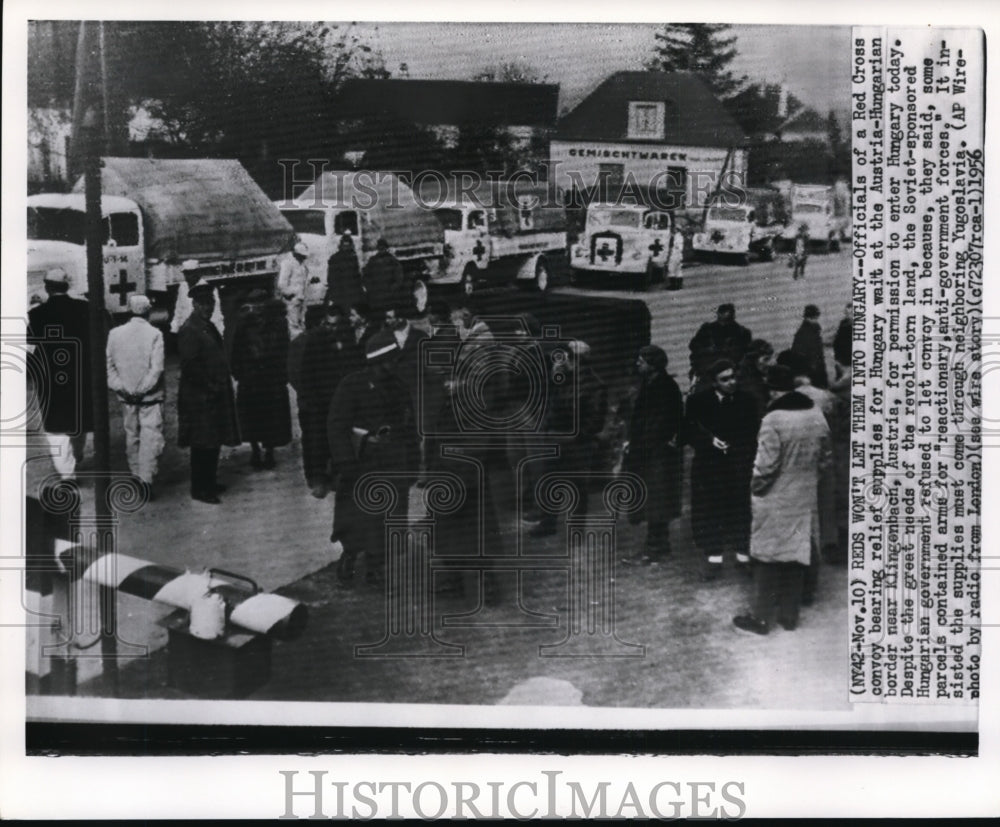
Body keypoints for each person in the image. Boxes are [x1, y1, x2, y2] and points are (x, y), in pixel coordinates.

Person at [733, 364, 831, 635]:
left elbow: (766, 466)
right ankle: (790, 615)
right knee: (796, 553)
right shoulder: (815, 414)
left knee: (767, 556)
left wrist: (755, 488)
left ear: (774, 391)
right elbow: (824, 458)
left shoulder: (773, 420)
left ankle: (761, 618)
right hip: (804, 495)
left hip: (774, 496)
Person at [327, 329, 419, 587]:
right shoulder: (352, 385)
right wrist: (346, 459)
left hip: (393, 462)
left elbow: (409, 425)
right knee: (356, 517)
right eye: (391, 360)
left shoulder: (399, 387)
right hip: (362, 463)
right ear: (378, 360)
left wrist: (412, 462)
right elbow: (336, 425)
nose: (396, 364)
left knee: (388, 518)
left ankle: (376, 567)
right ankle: (349, 558)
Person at [685, 358, 760, 579]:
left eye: (734, 377)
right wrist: (709, 440)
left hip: (738, 464)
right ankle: (714, 558)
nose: (731, 383)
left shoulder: (747, 400)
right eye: (724, 379)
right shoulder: (698, 401)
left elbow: (752, 432)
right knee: (710, 510)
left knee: (740, 508)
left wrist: (738, 448)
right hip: (709, 466)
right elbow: (688, 429)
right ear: (713, 382)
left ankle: (742, 556)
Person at [529, 340, 608, 538]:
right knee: (549, 481)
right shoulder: (563, 379)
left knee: (577, 486)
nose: (560, 360)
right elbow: (552, 405)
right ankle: (548, 523)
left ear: (575, 359)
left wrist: (577, 436)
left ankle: (577, 528)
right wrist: (547, 428)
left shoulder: (594, 385)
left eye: (564, 356)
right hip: (557, 438)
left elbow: (595, 420)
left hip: (578, 443)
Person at [27, 267, 95, 481]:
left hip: (51, 379)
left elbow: (31, 344)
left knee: (56, 428)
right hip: (80, 375)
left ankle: (68, 474)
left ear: (47, 287)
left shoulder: (37, 314)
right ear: (67, 286)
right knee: (79, 419)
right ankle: (78, 453)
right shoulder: (84, 308)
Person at [177, 284, 240, 503]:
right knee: (202, 444)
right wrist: (211, 387)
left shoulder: (206, 326)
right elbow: (191, 368)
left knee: (212, 442)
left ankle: (209, 482)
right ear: (194, 304)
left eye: (210, 303)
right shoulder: (190, 329)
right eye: (203, 304)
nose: (207, 307)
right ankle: (201, 489)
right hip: (200, 398)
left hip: (211, 396)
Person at [623, 345, 684, 561]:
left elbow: (661, 424)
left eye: (642, 360)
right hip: (649, 452)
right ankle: (657, 546)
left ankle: (656, 549)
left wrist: (639, 443)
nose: (638, 363)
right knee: (653, 500)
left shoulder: (665, 387)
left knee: (657, 501)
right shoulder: (650, 384)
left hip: (658, 454)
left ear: (653, 363)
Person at [105, 295, 165, 499]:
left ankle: (135, 474)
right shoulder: (155, 334)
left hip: (125, 397)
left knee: (132, 435)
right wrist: (141, 390)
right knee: (151, 437)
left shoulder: (114, 334)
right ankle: (146, 480)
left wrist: (123, 388)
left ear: (129, 311)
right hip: (150, 397)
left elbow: (109, 367)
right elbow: (156, 369)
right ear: (149, 312)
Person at [230, 290, 292, 470]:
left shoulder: (278, 323)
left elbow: (284, 350)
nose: (257, 307)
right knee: (252, 418)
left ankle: (270, 452)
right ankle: (256, 451)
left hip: (271, 379)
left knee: (272, 417)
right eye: (253, 303)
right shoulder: (243, 324)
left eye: (260, 303)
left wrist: (282, 375)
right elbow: (236, 351)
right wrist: (239, 373)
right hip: (251, 379)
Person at [298, 303, 355, 498]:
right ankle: (317, 479)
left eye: (336, 325)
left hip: (339, 400)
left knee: (338, 438)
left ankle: (338, 475)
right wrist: (311, 400)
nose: (333, 329)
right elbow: (306, 373)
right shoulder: (315, 340)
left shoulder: (348, 340)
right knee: (315, 440)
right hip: (317, 401)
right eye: (329, 325)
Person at [688, 303, 753, 392]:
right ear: (718, 315)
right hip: (707, 369)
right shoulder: (707, 329)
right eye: (722, 318)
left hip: (731, 371)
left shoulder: (742, 333)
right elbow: (694, 346)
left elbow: (745, 355)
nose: (723, 323)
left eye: (727, 320)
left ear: (733, 316)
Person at [170, 260, 224, 338]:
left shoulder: (207, 289)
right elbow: (178, 311)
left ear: (198, 273)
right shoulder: (182, 287)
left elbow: (216, 316)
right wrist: (174, 331)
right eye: (186, 274)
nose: (188, 277)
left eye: (191, 273)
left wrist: (219, 335)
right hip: (185, 332)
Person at [363, 238, 408, 314]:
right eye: (380, 248)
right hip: (377, 297)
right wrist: (370, 288)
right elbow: (366, 276)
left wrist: (391, 288)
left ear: (386, 248)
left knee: (388, 317)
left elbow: (399, 277)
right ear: (378, 248)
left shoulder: (392, 261)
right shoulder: (373, 260)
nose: (381, 250)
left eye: (383, 248)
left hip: (388, 297)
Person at [791, 304, 829, 388]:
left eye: (816, 318)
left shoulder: (810, 330)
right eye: (814, 318)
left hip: (814, 367)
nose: (816, 320)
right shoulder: (806, 332)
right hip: (812, 368)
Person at [326, 233, 366, 312]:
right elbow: (331, 278)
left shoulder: (353, 258)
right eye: (344, 245)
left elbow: (357, 276)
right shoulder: (335, 258)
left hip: (353, 293)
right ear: (341, 245)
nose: (346, 248)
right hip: (340, 293)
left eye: (348, 245)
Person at [277, 242, 310, 337]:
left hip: (301, 299)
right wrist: (292, 294)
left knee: (301, 324)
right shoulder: (287, 263)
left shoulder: (302, 266)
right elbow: (282, 284)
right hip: (292, 300)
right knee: (293, 326)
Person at [737, 339, 775, 420]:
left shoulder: (745, 376)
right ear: (753, 360)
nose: (771, 363)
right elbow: (761, 414)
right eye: (766, 359)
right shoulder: (750, 385)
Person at [833, 301, 853, 380]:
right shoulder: (843, 324)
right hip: (843, 361)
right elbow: (837, 343)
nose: (848, 316)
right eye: (847, 313)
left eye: (851, 313)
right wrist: (837, 360)